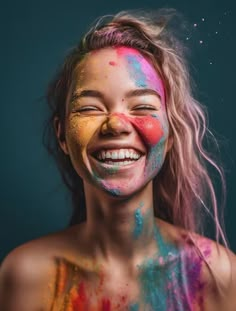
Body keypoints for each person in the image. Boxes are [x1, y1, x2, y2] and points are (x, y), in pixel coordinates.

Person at [0, 9, 235, 311]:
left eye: (142, 106)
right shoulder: (25, 276)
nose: (116, 124)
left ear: (171, 131)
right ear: (62, 136)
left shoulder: (220, 277)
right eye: (89, 108)